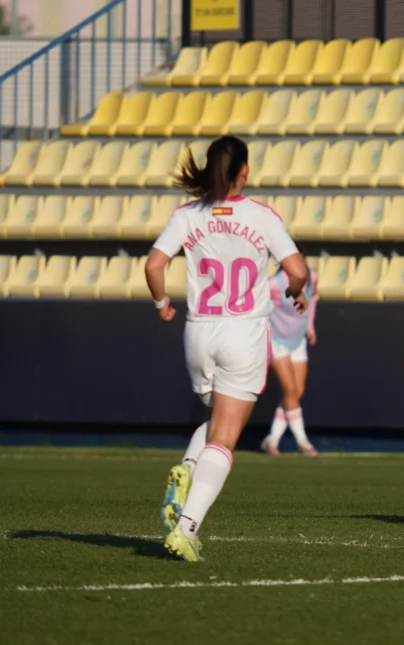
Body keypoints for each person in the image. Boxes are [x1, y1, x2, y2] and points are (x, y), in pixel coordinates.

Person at [147, 135, 307, 562]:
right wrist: (296, 292)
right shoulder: (260, 215)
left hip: (198, 332)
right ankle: (187, 528)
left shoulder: (187, 215)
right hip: (243, 333)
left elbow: (154, 264)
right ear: (244, 171)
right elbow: (297, 269)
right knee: (226, 436)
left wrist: (162, 304)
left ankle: (187, 469)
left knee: (216, 419)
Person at [261, 246, 320, 456]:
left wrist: (310, 327)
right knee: (290, 391)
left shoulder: (312, 277)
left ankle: (272, 439)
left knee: (296, 392)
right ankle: (303, 442)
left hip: (298, 341)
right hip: (277, 341)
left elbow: (312, 299)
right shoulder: (273, 284)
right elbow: (259, 308)